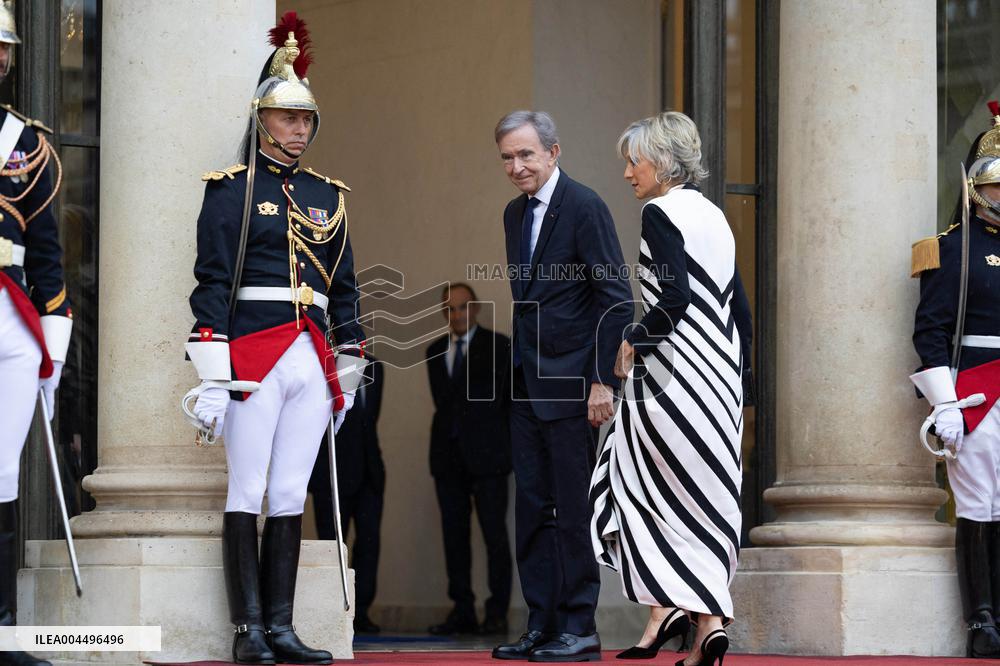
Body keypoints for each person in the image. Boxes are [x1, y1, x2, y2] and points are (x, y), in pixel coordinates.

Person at [185, 12, 364, 665]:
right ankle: (245, 633)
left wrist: (349, 361)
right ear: (261, 120)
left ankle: (281, 630)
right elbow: (211, 281)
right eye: (289, 119)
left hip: (311, 355)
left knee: (290, 492)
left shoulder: (327, 195)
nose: (300, 130)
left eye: (306, 120)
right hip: (252, 352)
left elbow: (344, 286)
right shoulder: (231, 192)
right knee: (247, 489)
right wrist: (210, 367)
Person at [589, 111, 751, 666]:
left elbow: (674, 298)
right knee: (703, 495)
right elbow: (740, 308)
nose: (629, 174)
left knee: (629, 476)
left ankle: (677, 611)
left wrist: (634, 338)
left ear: (660, 162)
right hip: (719, 377)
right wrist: (742, 381)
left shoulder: (659, 212)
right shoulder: (714, 216)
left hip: (673, 376)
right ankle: (703, 623)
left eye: (634, 162)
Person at [492, 111, 633, 662]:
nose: (517, 165)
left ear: (554, 152)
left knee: (571, 509)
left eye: (526, 154)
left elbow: (615, 297)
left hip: (575, 381)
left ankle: (579, 626)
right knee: (530, 506)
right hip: (527, 381)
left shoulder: (585, 205)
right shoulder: (513, 214)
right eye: (507, 156)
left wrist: (602, 379)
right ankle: (542, 624)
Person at [910, 100, 1000, 659]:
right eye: (997, 188)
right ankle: (982, 619)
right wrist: (945, 404)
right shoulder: (949, 250)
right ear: (975, 189)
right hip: (977, 390)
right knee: (978, 505)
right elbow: (930, 333)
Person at [0, 5, 70, 665]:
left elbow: (48, 255)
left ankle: (1, 629)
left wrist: (54, 348)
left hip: (14, 313)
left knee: (1, 475)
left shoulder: (30, 143)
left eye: (2, 47)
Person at [425, 283, 512, 636]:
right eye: (449, 309)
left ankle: (497, 613)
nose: (456, 315)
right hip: (447, 460)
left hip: (489, 459)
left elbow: (507, 405)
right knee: (454, 538)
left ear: (474, 309)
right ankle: (462, 609)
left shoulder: (499, 346)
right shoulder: (433, 351)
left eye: (462, 307)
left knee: (494, 535)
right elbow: (444, 406)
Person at [309, 357, 385, 635]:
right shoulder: (323, 365)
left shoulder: (375, 366)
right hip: (331, 472)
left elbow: (370, 419)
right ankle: (336, 609)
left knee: (369, 544)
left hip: (369, 471)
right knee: (332, 546)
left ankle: (361, 611)